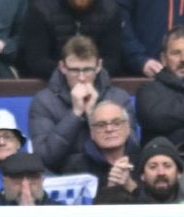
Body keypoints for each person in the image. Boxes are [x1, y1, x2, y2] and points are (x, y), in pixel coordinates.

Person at [27, 34, 131, 173]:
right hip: (63, 177)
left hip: (109, 173)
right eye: (74, 70)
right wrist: (74, 114)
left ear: (98, 66)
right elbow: (44, 157)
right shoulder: (43, 101)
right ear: (62, 67)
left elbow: (131, 148)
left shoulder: (119, 98)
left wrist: (93, 113)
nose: (81, 78)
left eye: (87, 70)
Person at [19, 0, 123, 81]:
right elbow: (37, 61)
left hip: (96, 82)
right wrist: (72, 73)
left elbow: (112, 60)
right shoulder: (41, 8)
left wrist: (86, 74)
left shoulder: (110, 9)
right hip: (49, 84)